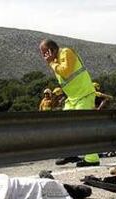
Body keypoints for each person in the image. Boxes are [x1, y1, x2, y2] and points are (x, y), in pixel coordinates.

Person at [39, 39, 100, 167]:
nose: (43, 56)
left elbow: (66, 72)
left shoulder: (66, 52)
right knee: (65, 125)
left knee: (84, 127)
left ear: (52, 50)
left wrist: (51, 63)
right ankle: (71, 153)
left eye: (45, 52)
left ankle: (92, 158)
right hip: (72, 98)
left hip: (84, 94)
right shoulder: (55, 61)